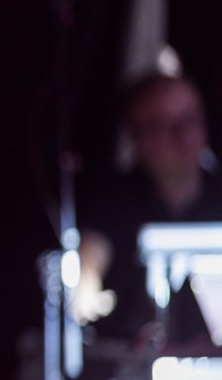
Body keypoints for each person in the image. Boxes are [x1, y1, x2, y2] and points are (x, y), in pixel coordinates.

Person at [74, 68, 222, 354]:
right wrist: (86, 285)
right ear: (135, 135)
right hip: (132, 375)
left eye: (188, 121)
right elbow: (91, 257)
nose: (181, 136)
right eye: (162, 125)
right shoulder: (114, 200)